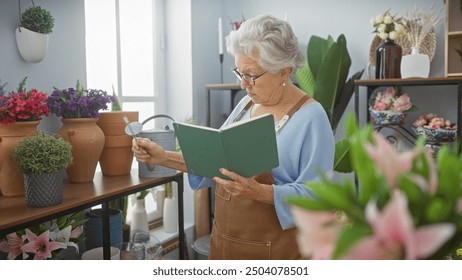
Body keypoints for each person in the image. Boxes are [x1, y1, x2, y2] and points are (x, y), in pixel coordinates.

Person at [132, 14, 335, 260]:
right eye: (240, 73)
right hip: (224, 245)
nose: (243, 85)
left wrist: (257, 192)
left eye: (252, 75)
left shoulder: (312, 117)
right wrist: (163, 157)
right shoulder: (246, 105)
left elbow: (318, 196)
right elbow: (214, 163)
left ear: (284, 70)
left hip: (275, 253)